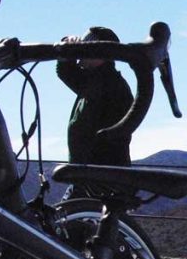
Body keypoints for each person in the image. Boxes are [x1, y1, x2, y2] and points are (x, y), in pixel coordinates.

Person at [57, 26, 134, 198]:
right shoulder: (97, 80)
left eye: (86, 46)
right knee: (67, 220)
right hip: (87, 175)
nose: (81, 51)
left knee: (70, 220)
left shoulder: (110, 85)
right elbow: (65, 72)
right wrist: (67, 45)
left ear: (100, 53)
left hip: (99, 179)